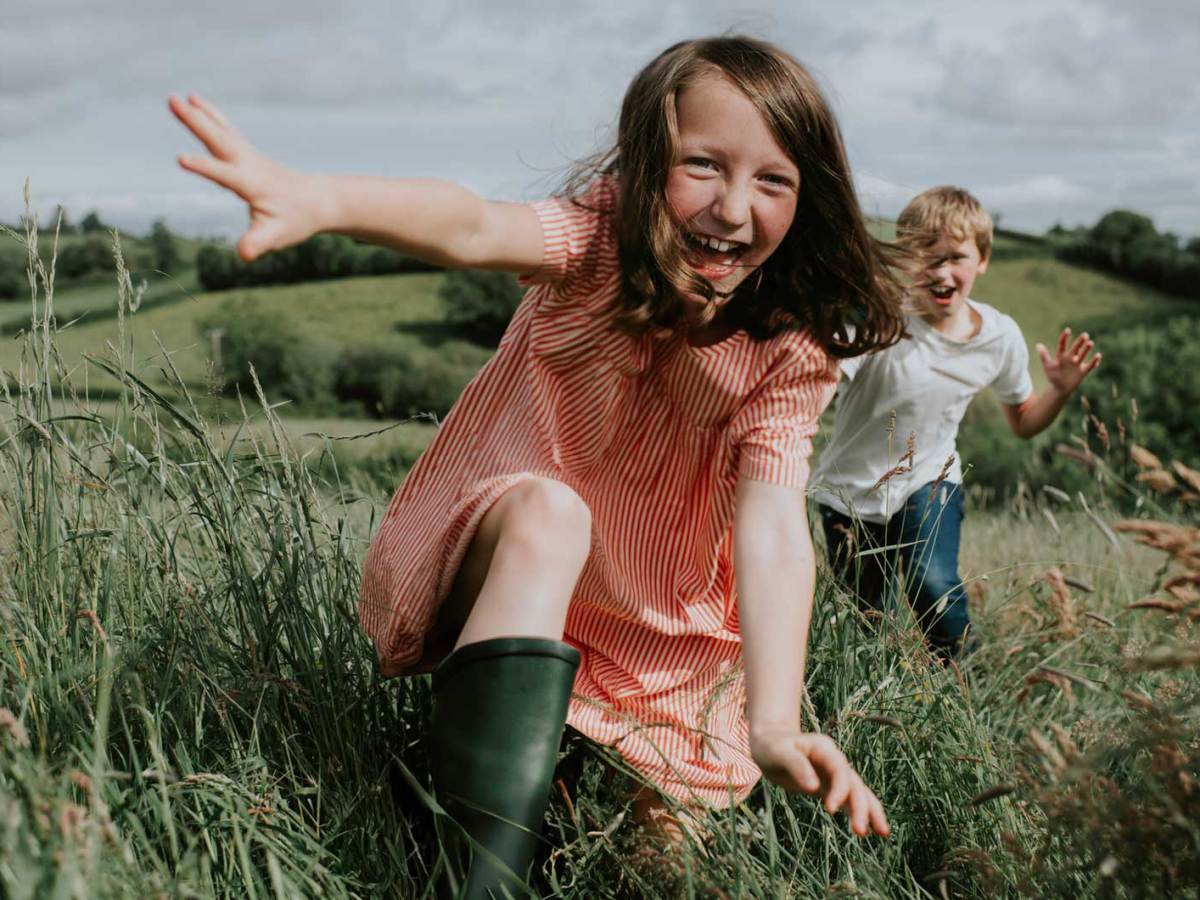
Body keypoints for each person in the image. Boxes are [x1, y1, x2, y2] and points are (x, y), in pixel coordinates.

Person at [170, 35, 903, 896]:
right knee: (554, 514)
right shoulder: (595, 242)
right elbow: (473, 224)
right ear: (646, 163)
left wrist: (774, 722)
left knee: (666, 864)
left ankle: (569, 785)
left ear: (810, 196)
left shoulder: (790, 344)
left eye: (773, 181)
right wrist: (321, 198)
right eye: (703, 165)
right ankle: (476, 881)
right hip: (511, 550)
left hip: (659, 625)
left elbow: (773, 521)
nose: (733, 209)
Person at [812, 186, 1101, 659]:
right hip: (848, 492)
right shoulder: (879, 321)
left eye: (955, 258)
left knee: (933, 585)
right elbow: (818, 385)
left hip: (930, 479)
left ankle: (966, 676)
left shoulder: (999, 337)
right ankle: (892, 691)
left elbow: (1024, 422)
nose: (941, 272)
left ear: (982, 260)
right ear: (904, 260)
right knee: (865, 624)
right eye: (926, 257)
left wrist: (1060, 391)